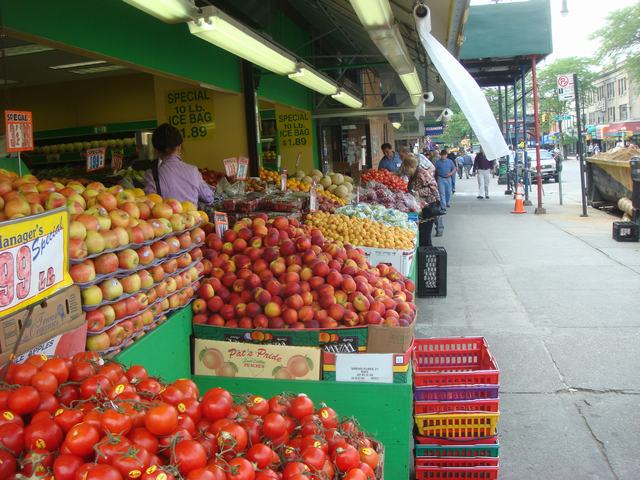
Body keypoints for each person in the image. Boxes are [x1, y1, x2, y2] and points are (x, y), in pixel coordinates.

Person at [144, 123, 214, 205]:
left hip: (165, 218)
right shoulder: (193, 171)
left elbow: (150, 204)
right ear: (179, 146)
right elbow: (209, 198)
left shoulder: (151, 175)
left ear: (156, 150)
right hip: (192, 217)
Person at [403, 153, 441, 246]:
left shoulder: (421, 173)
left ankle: (427, 253)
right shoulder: (413, 174)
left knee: (425, 234)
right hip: (422, 206)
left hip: (429, 207)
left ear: (411, 166)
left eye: (406, 167)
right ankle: (425, 252)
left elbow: (433, 188)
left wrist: (418, 192)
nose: (405, 170)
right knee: (422, 233)